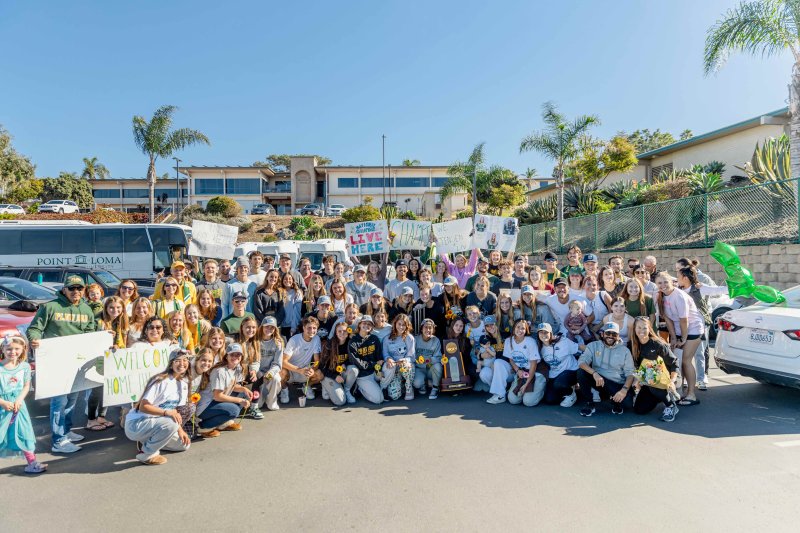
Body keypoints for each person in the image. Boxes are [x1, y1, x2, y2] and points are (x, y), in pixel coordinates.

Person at [27, 275, 97, 454]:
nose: (75, 292)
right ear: (64, 289)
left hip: (76, 362)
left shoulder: (86, 309)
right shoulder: (50, 307)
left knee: (72, 399)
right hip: (56, 362)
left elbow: (90, 334)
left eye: (79, 288)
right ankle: (58, 441)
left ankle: (66, 431)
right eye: (71, 288)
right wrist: (34, 339)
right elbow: (35, 328)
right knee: (59, 402)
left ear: (83, 290)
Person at [123, 348, 192, 465]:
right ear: (171, 364)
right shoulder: (160, 380)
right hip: (137, 424)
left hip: (157, 424)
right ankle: (146, 454)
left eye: (185, 360)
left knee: (184, 445)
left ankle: (148, 441)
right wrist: (166, 413)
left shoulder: (183, 383)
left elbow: (174, 409)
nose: (182, 364)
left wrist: (180, 430)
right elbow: (143, 407)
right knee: (171, 422)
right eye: (177, 360)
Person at [656, 271, 704, 407]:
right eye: (659, 283)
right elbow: (668, 319)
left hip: (693, 330)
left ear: (672, 282)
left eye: (665, 282)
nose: (663, 285)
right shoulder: (662, 297)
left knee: (686, 361)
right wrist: (673, 338)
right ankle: (680, 392)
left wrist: (682, 338)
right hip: (679, 332)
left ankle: (691, 395)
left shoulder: (679, 296)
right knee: (678, 361)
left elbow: (684, 320)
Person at [676, 266, 727, 392]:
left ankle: (701, 378)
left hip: (699, 326)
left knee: (700, 353)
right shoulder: (678, 290)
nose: (676, 278)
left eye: (678, 276)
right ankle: (687, 379)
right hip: (683, 326)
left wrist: (736, 288)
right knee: (684, 356)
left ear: (685, 277)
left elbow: (718, 290)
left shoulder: (700, 288)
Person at [0, 335, 46, 474]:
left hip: (19, 407)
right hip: (3, 406)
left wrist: (19, 400)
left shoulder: (25, 367)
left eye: (16, 349)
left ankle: (32, 463)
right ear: (3, 349)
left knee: (24, 433)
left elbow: (26, 386)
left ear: (23, 349)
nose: (12, 352)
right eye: (9, 349)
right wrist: (2, 402)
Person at [577, 322, 635, 417]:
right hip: (599, 380)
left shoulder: (625, 350)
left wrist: (624, 390)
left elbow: (630, 373)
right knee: (581, 372)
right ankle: (589, 403)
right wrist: (594, 373)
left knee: (628, 404)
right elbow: (581, 362)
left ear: (618, 336)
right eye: (608, 333)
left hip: (616, 383)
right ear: (602, 334)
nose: (610, 336)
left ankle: (614, 400)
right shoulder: (593, 346)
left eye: (614, 334)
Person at [88, 296, 128, 431]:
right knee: (97, 391)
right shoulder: (99, 321)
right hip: (99, 360)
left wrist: (116, 345)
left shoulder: (119, 321)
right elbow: (90, 339)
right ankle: (91, 420)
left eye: (118, 307)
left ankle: (101, 416)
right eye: (111, 307)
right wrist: (104, 335)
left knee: (107, 390)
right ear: (106, 308)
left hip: (111, 360)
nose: (115, 310)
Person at [195, 344, 253, 436]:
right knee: (234, 410)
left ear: (241, 356)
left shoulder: (236, 368)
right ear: (226, 356)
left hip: (215, 402)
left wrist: (244, 388)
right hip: (205, 406)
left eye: (238, 354)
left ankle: (221, 423)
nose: (235, 357)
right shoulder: (220, 371)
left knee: (245, 393)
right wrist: (240, 400)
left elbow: (230, 386)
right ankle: (203, 426)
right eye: (232, 354)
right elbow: (217, 396)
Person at [630, 317, 680, 422]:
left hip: (664, 378)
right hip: (648, 381)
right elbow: (637, 367)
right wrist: (637, 380)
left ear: (649, 329)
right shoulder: (633, 345)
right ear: (634, 329)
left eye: (645, 328)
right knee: (639, 410)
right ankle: (661, 396)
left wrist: (672, 380)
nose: (642, 331)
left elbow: (674, 362)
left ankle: (670, 405)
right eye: (639, 327)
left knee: (651, 374)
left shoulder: (657, 344)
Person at [487, 319, 545, 406]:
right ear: (514, 328)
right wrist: (517, 370)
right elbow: (511, 359)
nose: (520, 330)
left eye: (523, 328)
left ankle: (541, 388)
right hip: (521, 372)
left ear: (526, 330)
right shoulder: (508, 341)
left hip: (535, 372)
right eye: (518, 327)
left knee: (528, 402)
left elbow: (533, 364)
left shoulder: (530, 342)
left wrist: (526, 384)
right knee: (513, 400)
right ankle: (499, 395)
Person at [279, 317, 323, 403]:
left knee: (319, 375)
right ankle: (284, 389)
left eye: (314, 328)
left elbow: (317, 360)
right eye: (309, 328)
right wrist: (300, 370)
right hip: (291, 371)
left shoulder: (316, 339)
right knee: (281, 372)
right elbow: (283, 362)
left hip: (305, 370)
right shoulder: (294, 340)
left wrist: (312, 369)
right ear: (303, 328)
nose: (312, 330)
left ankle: (306, 386)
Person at [536, 323, 581, 406]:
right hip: (554, 373)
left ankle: (571, 393)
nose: (543, 335)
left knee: (559, 384)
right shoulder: (540, 348)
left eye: (546, 332)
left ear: (550, 333)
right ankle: (568, 390)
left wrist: (595, 350)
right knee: (550, 400)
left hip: (570, 370)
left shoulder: (563, 341)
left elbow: (580, 347)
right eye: (541, 332)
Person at [320, 321, 358, 406]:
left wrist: (345, 364)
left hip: (342, 374)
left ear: (348, 332)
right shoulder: (329, 344)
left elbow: (353, 359)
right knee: (340, 401)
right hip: (330, 374)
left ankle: (347, 391)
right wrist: (334, 376)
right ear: (336, 333)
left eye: (344, 331)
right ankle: (326, 386)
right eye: (339, 331)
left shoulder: (350, 343)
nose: (342, 333)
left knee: (354, 369)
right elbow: (322, 367)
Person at [347, 315, 383, 404]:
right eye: (364, 323)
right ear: (359, 325)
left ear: (371, 327)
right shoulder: (353, 341)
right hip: (363, 375)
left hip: (374, 372)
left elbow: (379, 357)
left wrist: (379, 370)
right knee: (379, 399)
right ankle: (360, 388)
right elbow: (359, 363)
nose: (366, 325)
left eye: (369, 324)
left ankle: (381, 388)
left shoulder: (374, 339)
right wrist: (374, 364)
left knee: (388, 369)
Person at [381, 314, 417, 400]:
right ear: (395, 324)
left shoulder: (409, 338)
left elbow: (411, 356)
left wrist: (404, 360)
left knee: (406, 365)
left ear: (407, 326)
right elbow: (385, 354)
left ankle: (408, 387)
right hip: (394, 368)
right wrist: (388, 359)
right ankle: (401, 384)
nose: (401, 327)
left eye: (403, 325)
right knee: (394, 396)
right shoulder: (387, 338)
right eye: (399, 324)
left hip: (406, 367)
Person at [253, 317, 284, 411]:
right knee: (258, 405)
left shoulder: (278, 343)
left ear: (275, 329)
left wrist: (270, 373)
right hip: (258, 371)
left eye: (272, 327)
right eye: (267, 327)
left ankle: (272, 402)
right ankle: (261, 399)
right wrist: (258, 372)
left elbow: (278, 364)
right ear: (261, 327)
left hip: (271, 371)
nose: (269, 329)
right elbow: (254, 361)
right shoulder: (255, 341)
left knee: (275, 379)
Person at [413, 319, 442, 399]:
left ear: (433, 330)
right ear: (421, 329)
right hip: (419, 368)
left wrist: (430, 359)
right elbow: (411, 355)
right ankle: (424, 383)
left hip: (430, 368)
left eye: (430, 328)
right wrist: (417, 360)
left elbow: (438, 357)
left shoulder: (436, 340)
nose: (428, 330)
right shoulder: (415, 339)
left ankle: (435, 387)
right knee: (416, 384)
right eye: (426, 327)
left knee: (438, 366)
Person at [280, 271, 304, 340]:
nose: (288, 280)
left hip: (293, 326)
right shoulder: (279, 292)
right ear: (282, 280)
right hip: (281, 326)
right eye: (285, 278)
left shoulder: (297, 293)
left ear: (293, 280)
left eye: (290, 278)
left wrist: (294, 327)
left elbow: (296, 312)